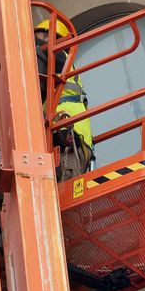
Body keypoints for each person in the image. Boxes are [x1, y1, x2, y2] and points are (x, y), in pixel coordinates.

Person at [33, 20, 95, 180]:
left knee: (66, 186)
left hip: (72, 136)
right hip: (60, 135)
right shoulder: (48, 83)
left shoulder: (63, 59)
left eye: (40, 37)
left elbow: (47, 52)